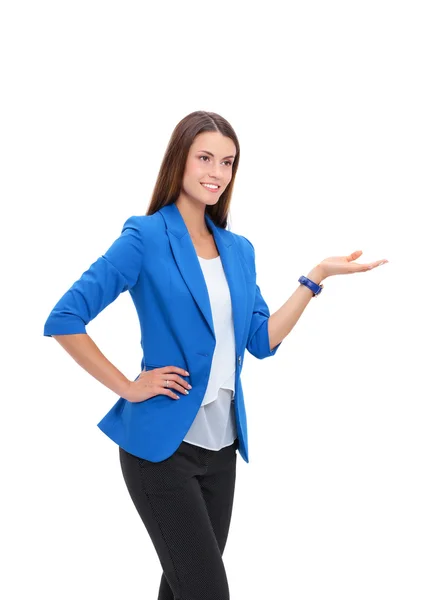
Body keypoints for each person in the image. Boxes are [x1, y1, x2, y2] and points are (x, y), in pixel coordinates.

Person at [43, 110, 388, 600]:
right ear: (179, 161)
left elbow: (262, 341)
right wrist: (127, 385)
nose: (216, 173)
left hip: (221, 449)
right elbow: (64, 318)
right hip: (160, 448)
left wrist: (315, 278)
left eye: (227, 162)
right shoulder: (144, 238)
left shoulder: (239, 249)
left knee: (183, 589)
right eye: (205, 158)